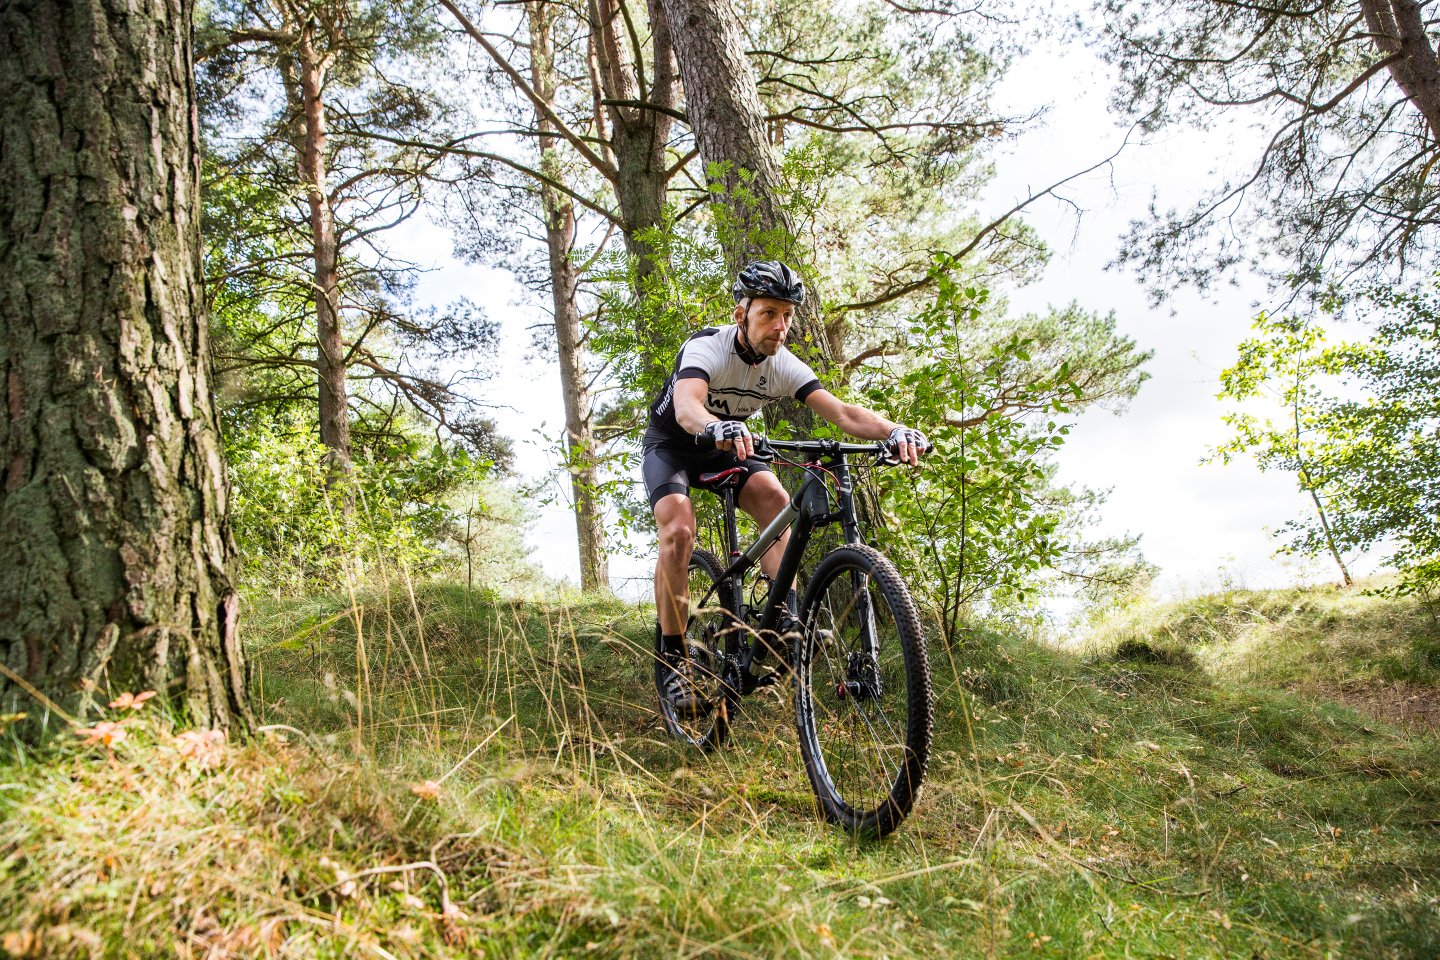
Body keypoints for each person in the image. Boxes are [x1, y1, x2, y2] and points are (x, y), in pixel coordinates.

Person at [642, 260, 929, 715]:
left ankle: (784, 624)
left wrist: (895, 430)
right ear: (741, 314)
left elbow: (844, 413)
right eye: (769, 313)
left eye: (788, 316)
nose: (780, 326)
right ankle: (674, 660)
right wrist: (714, 427)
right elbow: (686, 407)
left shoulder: (782, 365)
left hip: (730, 446)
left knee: (778, 503)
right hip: (674, 446)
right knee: (678, 531)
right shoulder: (707, 347)